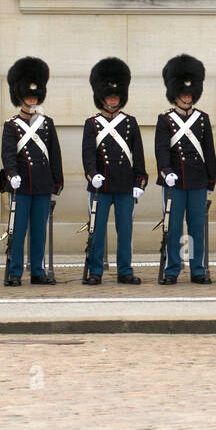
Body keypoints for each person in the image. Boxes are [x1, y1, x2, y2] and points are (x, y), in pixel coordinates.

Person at [82, 57, 147, 286]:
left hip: (123, 185)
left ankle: (125, 270)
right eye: (109, 96)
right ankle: (95, 271)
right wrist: (92, 174)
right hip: (101, 186)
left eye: (115, 96)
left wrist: (139, 183)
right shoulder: (92, 123)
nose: (112, 99)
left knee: (125, 231)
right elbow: (88, 154)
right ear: (102, 97)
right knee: (97, 232)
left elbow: (138, 155)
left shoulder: (130, 123)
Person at [0, 56, 63, 285]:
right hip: (21, 185)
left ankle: (38, 270)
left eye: (34, 96)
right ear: (20, 98)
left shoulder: (47, 124)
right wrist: (12, 174)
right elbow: (8, 154)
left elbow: (54, 153)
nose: (31, 99)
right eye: (28, 96)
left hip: (42, 184)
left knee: (39, 232)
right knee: (17, 232)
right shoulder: (11, 125)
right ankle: (15, 272)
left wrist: (57, 181)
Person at [156, 55, 216, 284]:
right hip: (174, 183)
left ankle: (197, 269)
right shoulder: (165, 120)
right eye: (182, 93)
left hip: (197, 181)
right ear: (175, 94)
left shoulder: (202, 119)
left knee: (196, 228)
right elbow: (161, 150)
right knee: (172, 228)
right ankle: (172, 269)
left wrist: (211, 180)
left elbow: (209, 151)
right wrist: (166, 171)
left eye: (190, 93)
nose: (186, 96)